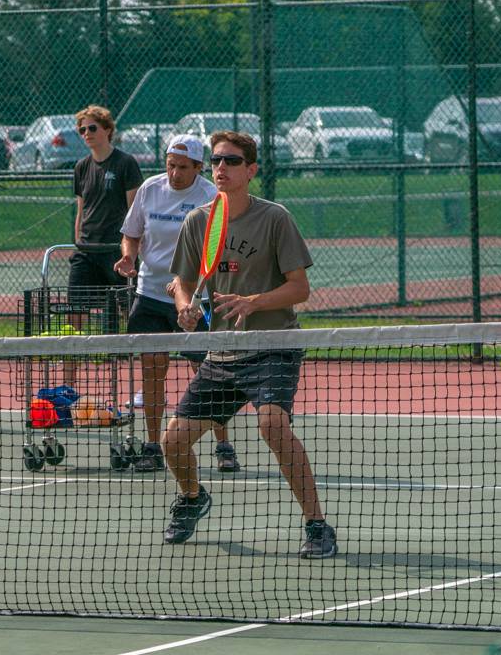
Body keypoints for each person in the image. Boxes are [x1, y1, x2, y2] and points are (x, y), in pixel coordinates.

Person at [163, 131, 337, 559]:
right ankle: (192, 497)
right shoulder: (198, 221)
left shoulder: (275, 218)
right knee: (172, 442)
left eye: (232, 161)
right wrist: (185, 307)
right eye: (217, 160)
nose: (221, 167)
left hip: (273, 345)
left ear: (251, 169)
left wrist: (253, 301)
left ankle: (317, 525)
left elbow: (300, 288)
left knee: (272, 425)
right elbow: (183, 282)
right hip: (222, 351)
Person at [114, 134, 236, 474]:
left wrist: (187, 286)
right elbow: (132, 234)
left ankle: (223, 445)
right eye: (170, 165)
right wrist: (128, 257)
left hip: (196, 301)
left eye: (183, 167)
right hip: (150, 295)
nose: (174, 173)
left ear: (198, 167)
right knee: (152, 369)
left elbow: (217, 250)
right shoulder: (150, 189)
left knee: (208, 372)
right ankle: (153, 446)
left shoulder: (211, 197)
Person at [66, 105, 141, 382]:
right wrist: (78, 240)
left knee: (130, 315)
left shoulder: (125, 163)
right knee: (74, 316)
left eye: (92, 128)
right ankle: (69, 386)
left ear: (107, 129)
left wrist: (130, 249)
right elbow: (81, 208)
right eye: (82, 130)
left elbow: (135, 211)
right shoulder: (81, 167)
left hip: (116, 252)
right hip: (87, 252)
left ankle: (133, 385)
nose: (86, 133)